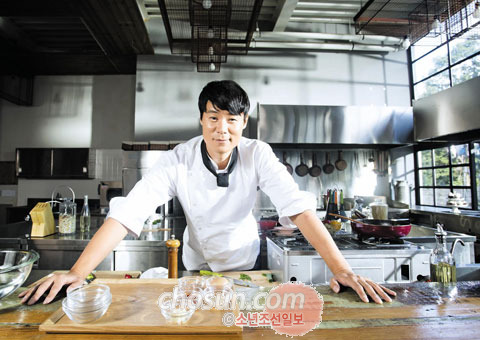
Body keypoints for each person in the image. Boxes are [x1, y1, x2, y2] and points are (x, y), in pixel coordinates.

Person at [19, 80, 395, 305]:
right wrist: (76, 273)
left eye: (232, 120)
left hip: (246, 266)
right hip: (195, 266)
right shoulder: (179, 159)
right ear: (201, 119)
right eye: (213, 118)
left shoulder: (256, 153)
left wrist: (343, 270)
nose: (222, 129)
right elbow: (127, 213)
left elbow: (298, 209)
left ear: (244, 123)